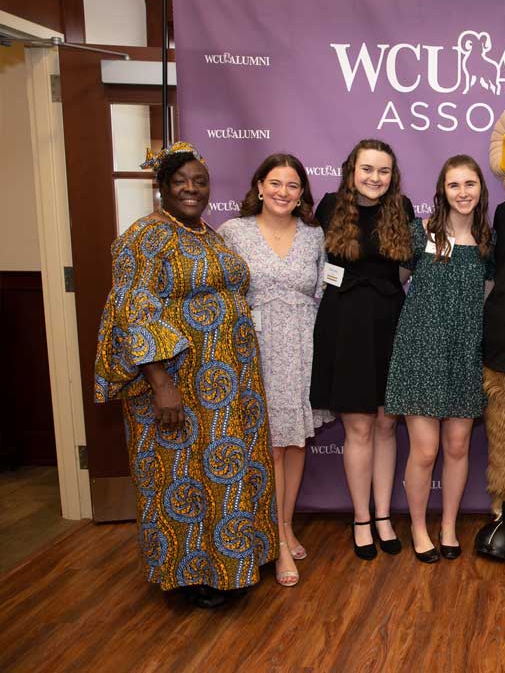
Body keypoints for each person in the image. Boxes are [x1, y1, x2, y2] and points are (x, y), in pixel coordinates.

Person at [93, 142, 278, 608]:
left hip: (226, 379)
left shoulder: (205, 232)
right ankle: (198, 572)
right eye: (181, 183)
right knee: (185, 475)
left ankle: (237, 558)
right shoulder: (146, 237)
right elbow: (132, 312)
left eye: (200, 182)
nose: (192, 189)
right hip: (181, 380)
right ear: (162, 189)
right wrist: (161, 384)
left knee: (226, 467)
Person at [218, 154, 324, 586]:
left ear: (302, 193)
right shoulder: (233, 233)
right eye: (275, 183)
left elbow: (321, 290)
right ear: (259, 185)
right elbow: (222, 297)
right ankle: (277, 539)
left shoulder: (314, 236)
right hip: (256, 349)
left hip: (304, 346)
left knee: (296, 443)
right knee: (273, 447)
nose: (283, 192)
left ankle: (285, 523)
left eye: (293, 185)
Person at [309, 139, 415, 560]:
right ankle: (360, 518)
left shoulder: (402, 210)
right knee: (358, 428)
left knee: (388, 425)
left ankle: (384, 515)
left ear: (393, 176)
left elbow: (406, 271)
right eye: (368, 169)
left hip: (390, 320)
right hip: (344, 323)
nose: (375, 178)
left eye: (383, 171)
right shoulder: (330, 205)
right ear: (352, 169)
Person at [385, 155, 494, 563]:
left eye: (470, 184)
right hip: (419, 351)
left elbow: (486, 294)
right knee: (425, 451)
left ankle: (448, 525)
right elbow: (398, 283)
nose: (463, 193)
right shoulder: (420, 233)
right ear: (442, 191)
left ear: (480, 189)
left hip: (464, 352)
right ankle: (417, 527)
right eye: (454, 185)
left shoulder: (488, 243)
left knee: (458, 445)